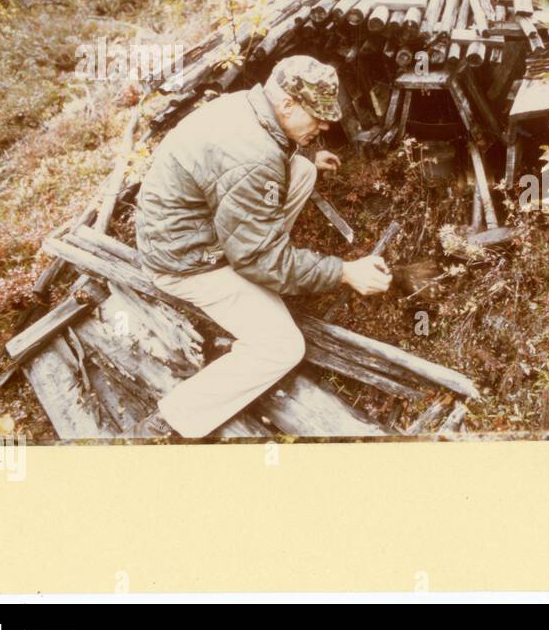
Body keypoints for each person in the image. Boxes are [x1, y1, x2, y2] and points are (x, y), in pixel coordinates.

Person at [130, 55, 391, 438]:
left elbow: (250, 163)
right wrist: (344, 271)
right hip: (186, 262)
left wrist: (303, 154)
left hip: (194, 231)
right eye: (317, 117)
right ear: (287, 104)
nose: (322, 127)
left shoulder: (246, 107)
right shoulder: (252, 159)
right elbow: (256, 257)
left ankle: (271, 270)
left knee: (300, 170)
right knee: (282, 346)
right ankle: (170, 422)